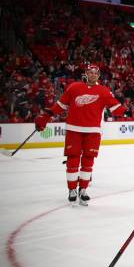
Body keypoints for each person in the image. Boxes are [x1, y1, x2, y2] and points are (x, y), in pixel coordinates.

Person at [34, 65, 127, 206]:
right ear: (86, 74)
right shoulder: (74, 87)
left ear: (99, 75)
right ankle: (72, 190)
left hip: (93, 131)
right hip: (74, 129)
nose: (93, 74)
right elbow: (61, 105)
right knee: (73, 159)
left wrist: (132, 113)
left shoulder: (104, 91)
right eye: (91, 72)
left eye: (96, 72)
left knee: (88, 161)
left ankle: (83, 189)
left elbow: (116, 108)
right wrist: (46, 115)